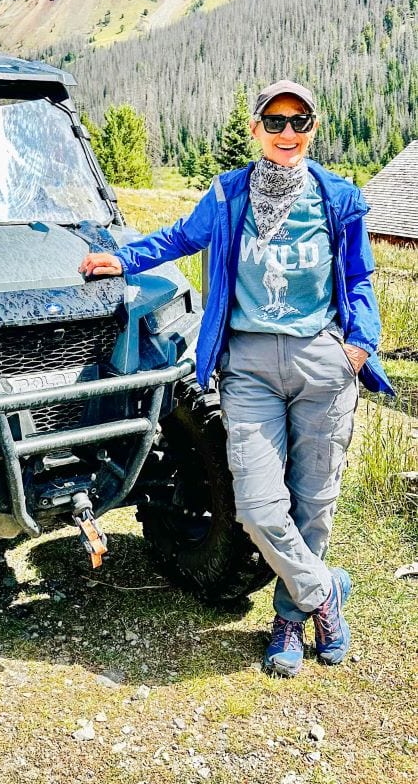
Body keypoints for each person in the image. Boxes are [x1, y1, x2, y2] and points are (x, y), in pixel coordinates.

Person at [79, 80, 392, 678]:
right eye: (274, 122)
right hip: (246, 366)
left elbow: (359, 278)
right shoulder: (227, 196)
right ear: (256, 131)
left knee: (314, 502)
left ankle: (288, 622)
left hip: (322, 364)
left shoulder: (339, 199)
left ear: (313, 128)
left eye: (299, 121)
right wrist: (125, 259)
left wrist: (359, 346)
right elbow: (178, 238)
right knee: (255, 505)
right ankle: (325, 593)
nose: (287, 133)